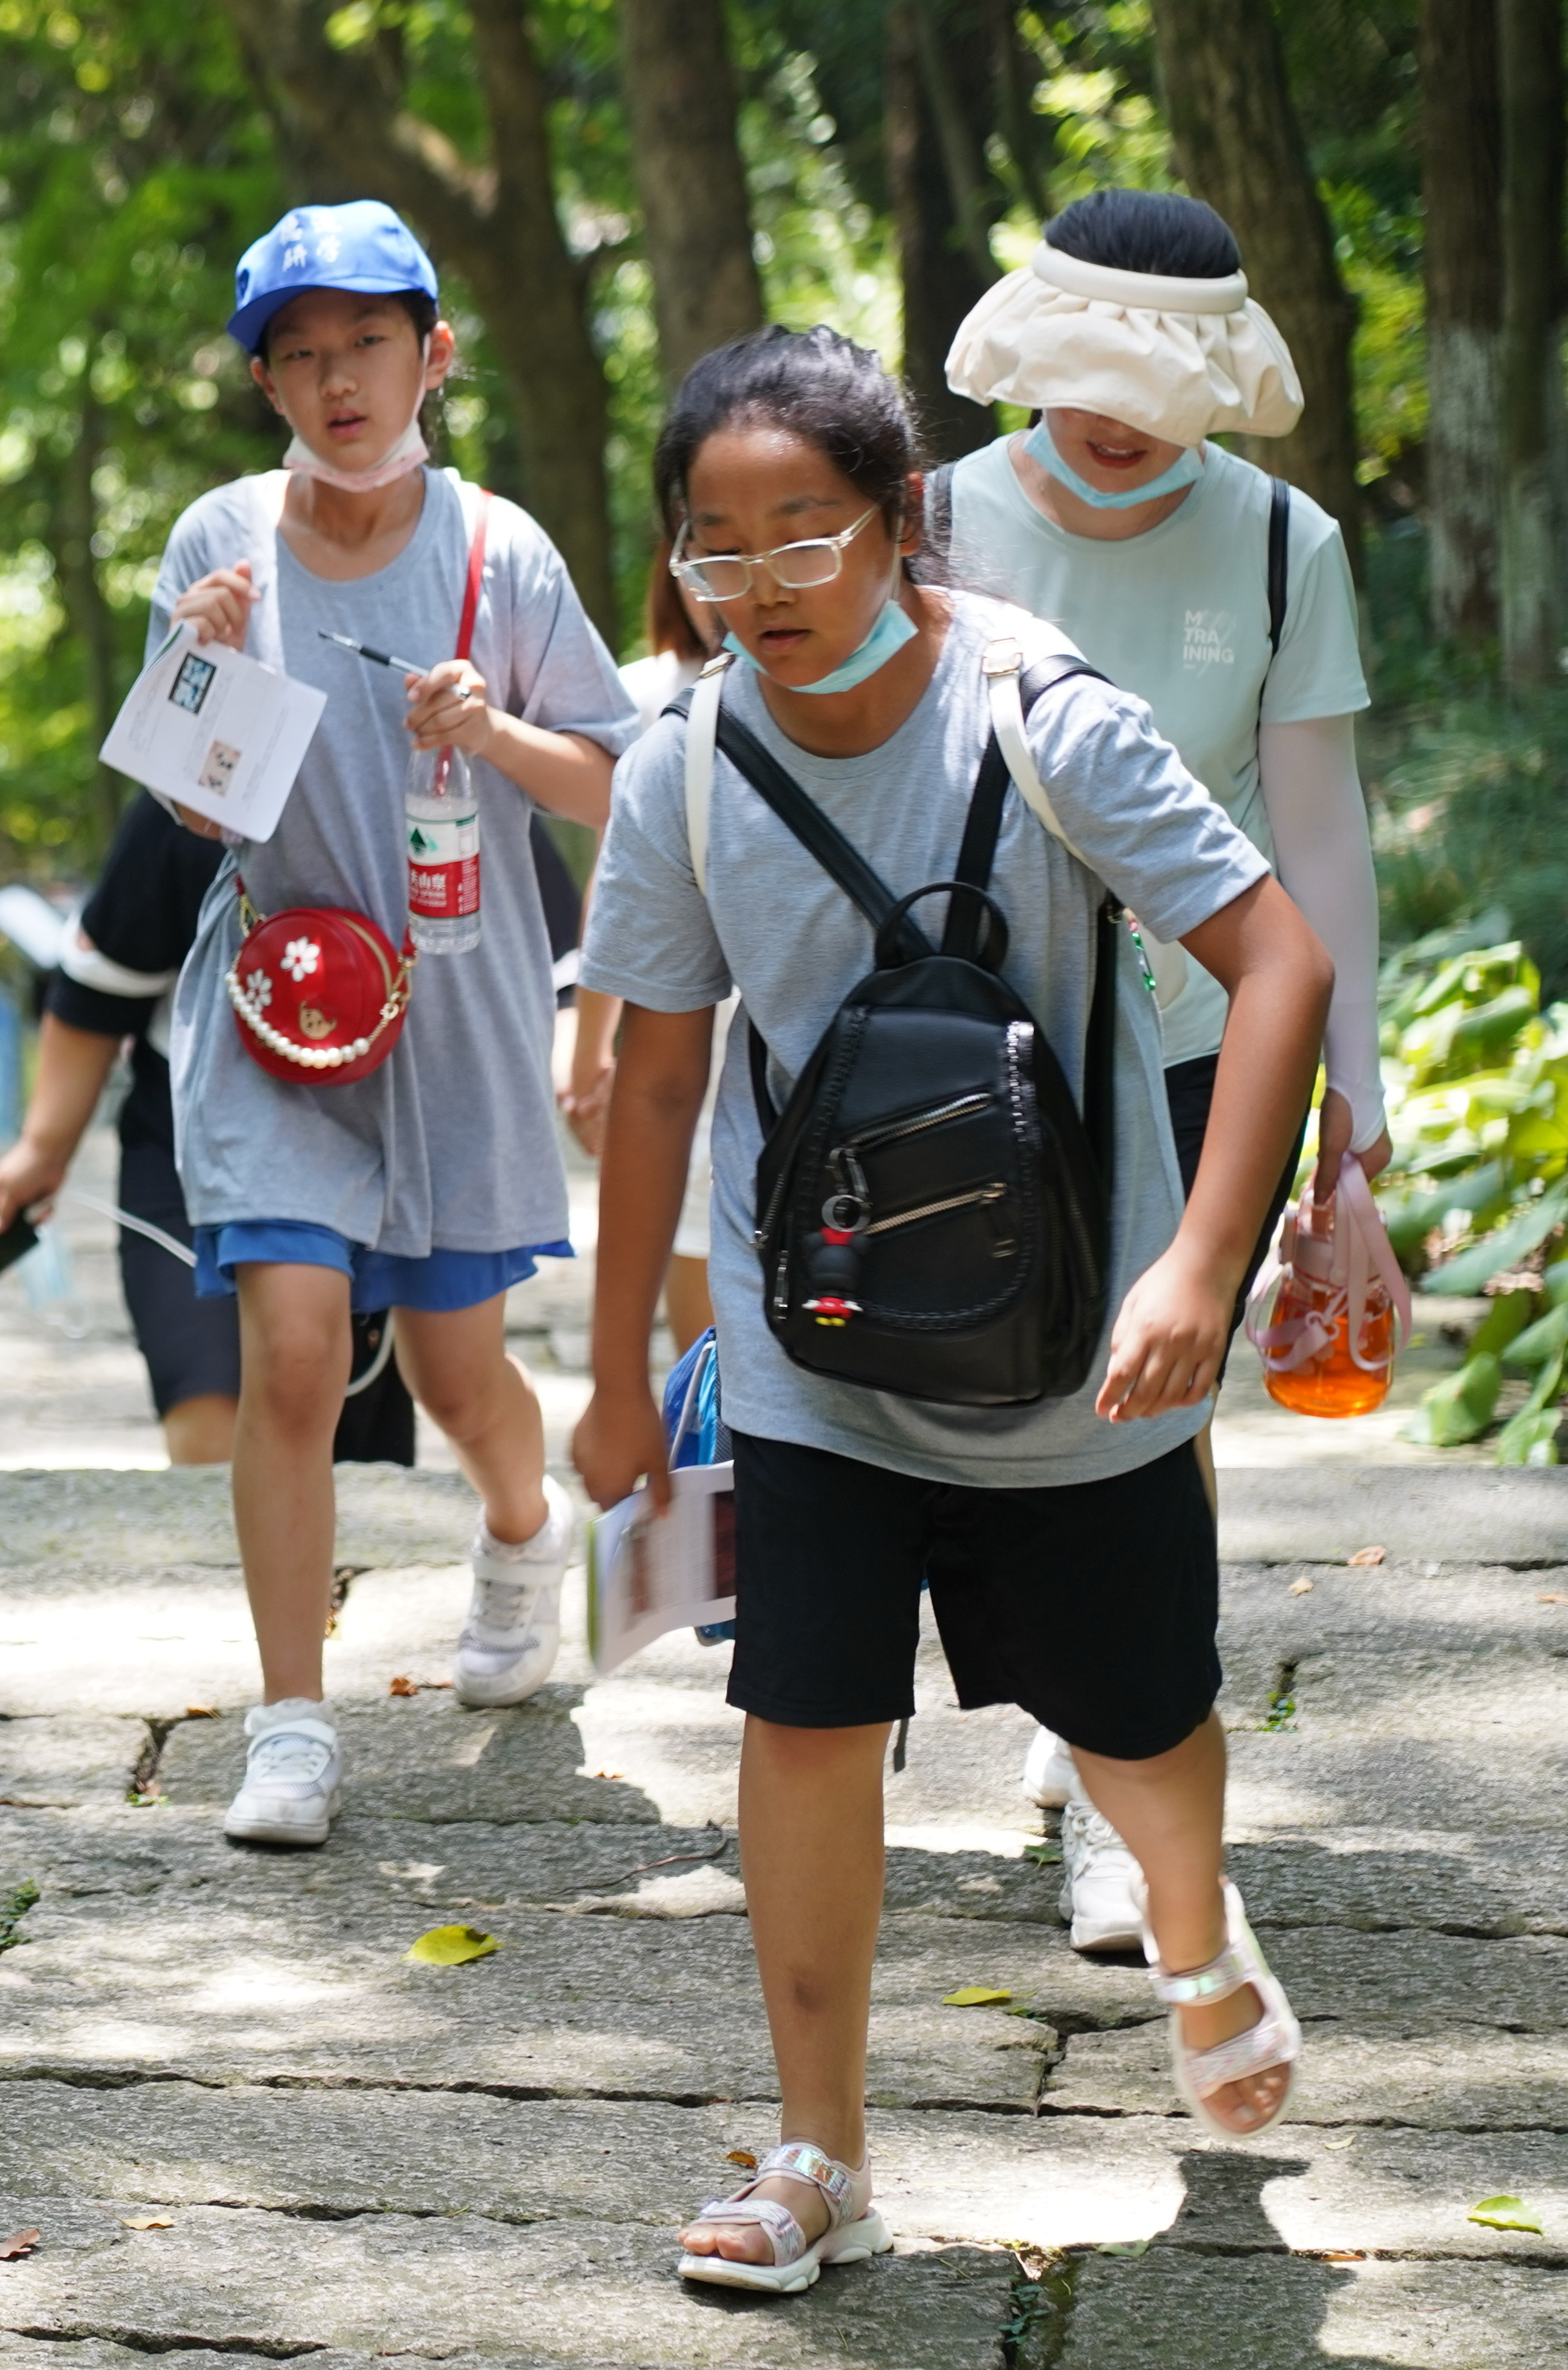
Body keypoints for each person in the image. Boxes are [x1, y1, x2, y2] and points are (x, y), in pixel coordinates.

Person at [574, 327, 1324, 2296]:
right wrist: (614, 1376)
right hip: (810, 1343)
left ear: (901, 520)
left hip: (1076, 1326)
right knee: (799, 1713)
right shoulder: (678, 763)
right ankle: (816, 2148)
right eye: (712, 550)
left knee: (1139, 1711)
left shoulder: (1041, 719)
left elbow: (1276, 960)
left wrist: (1197, 1264)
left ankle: (1184, 1926)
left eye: (799, 537)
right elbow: (655, 1076)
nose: (757, 588)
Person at [148, 200, 635, 1845]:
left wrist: (496, 733)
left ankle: (518, 1522)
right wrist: (202, 676)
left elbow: (621, 781)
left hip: (458, 1010)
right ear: (268, 383)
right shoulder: (216, 545)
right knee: (289, 1346)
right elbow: (196, 824)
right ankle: (292, 1722)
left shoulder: (504, 553)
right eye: (299, 355)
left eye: (365, 344)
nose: (335, 380)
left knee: (455, 1369)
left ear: (434, 354)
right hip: (279, 1006)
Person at [940, 188, 1389, 1953]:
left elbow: (1320, 832)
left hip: (1217, 1037)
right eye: (1083, 370)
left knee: (1159, 1396)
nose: (1112, 412)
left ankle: (1117, 1765)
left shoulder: (1285, 546)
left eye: (1153, 380)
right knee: (1014, 1391)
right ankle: (1074, 1709)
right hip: (985, 1041)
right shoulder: (933, 523)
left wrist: (1358, 1100)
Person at [0, 794, 417, 1470]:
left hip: (381, 1152)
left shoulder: (443, 780)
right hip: (192, 1155)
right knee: (210, 1413)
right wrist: (44, 1147)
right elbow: (97, 991)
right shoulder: (195, 795)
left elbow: (551, 978)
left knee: (350, 1427)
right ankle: (242, 1563)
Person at [564, 559, 729, 1357]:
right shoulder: (648, 695)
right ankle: (714, 1460)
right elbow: (614, 880)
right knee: (692, 1238)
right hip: (688, 1021)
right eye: (714, 553)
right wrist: (592, 1047)